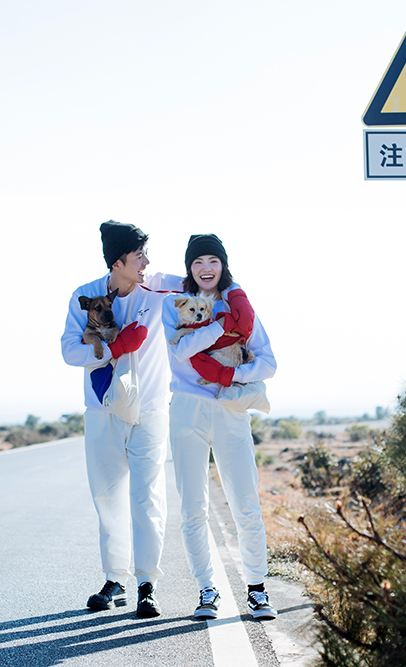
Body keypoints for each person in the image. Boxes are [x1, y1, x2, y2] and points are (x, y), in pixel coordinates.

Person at [61, 220, 182, 618]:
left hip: (150, 410)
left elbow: (202, 283)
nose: (146, 262)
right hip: (103, 409)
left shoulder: (159, 289)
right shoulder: (86, 296)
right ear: (117, 262)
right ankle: (115, 580)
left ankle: (147, 584)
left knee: (148, 497)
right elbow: (70, 351)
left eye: (146, 255)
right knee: (107, 497)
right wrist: (115, 348)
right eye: (138, 256)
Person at [162, 233, 279, 620]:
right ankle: (206, 590)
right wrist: (219, 328)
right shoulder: (176, 304)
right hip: (187, 409)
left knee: (246, 503)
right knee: (192, 507)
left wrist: (232, 375)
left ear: (223, 264)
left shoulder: (240, 307)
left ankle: (257, 590)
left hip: (230, 407)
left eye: (212, 260)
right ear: (189, 268)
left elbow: (268, 364)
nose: (205, 268)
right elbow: (180, 350)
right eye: (197, 262)